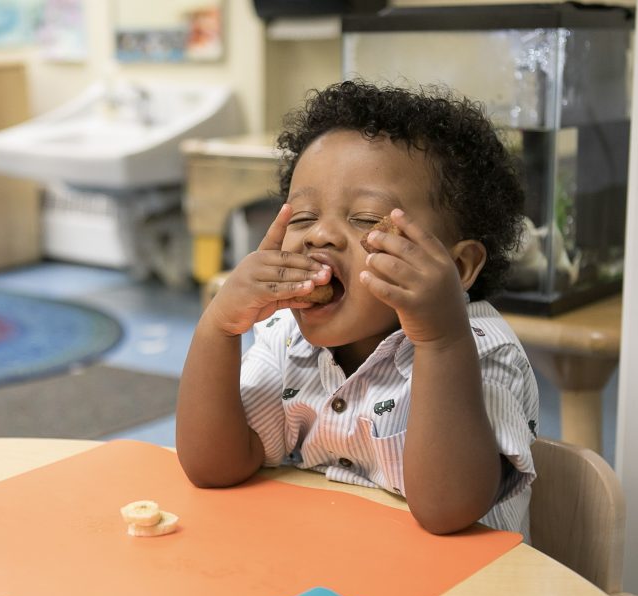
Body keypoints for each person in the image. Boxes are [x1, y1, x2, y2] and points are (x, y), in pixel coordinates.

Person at [175, 80, 539, 539]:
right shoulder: (286, 337)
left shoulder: (483, 351)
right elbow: (214, 466)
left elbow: (448, 510)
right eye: (303, 216)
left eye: (367, 219)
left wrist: (441, 341)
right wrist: (218, 328)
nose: (319, 236)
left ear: (458, 265)